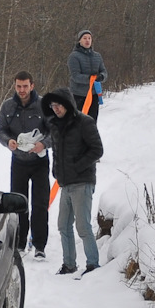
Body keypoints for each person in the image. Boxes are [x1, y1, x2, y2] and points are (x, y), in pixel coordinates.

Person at [42, 89, 103, 274]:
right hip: (65, 183)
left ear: (68, 103)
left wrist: (78, 166)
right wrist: (56, 171)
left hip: (82, 181)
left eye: (59, 105)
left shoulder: (85, 122)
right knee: (63, 225)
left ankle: (93, 264)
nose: (56, 108)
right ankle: (69, 264)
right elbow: (56, 151)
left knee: (83, 226)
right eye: (53, 106)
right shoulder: (54, 125)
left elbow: (97, 150)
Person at [0, 71, 50, 259]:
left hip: (40, 161)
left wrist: (44, 144)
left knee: (40, 203)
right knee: (19, 203)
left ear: (32, 86)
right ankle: (19, 242)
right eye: (18, 86)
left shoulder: (43, 105)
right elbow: (0, 129)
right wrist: (7, 141)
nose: (22, 90)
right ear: (14, 86)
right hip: (18, 161)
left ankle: (39, 245)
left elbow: (55, 131)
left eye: (25, 86)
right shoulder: (8, 106)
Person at [68, 30, 107, 117]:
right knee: (78, 123)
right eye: (84, 38)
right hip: (78, 95)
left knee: (91, 123)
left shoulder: (97, 56)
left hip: (94, 94)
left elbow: (104, 72)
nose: (87, 40)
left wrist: (101, 77)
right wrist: (89, 78)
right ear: (79, 41)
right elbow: (75, 76)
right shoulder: (74, 56)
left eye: (89, 38)